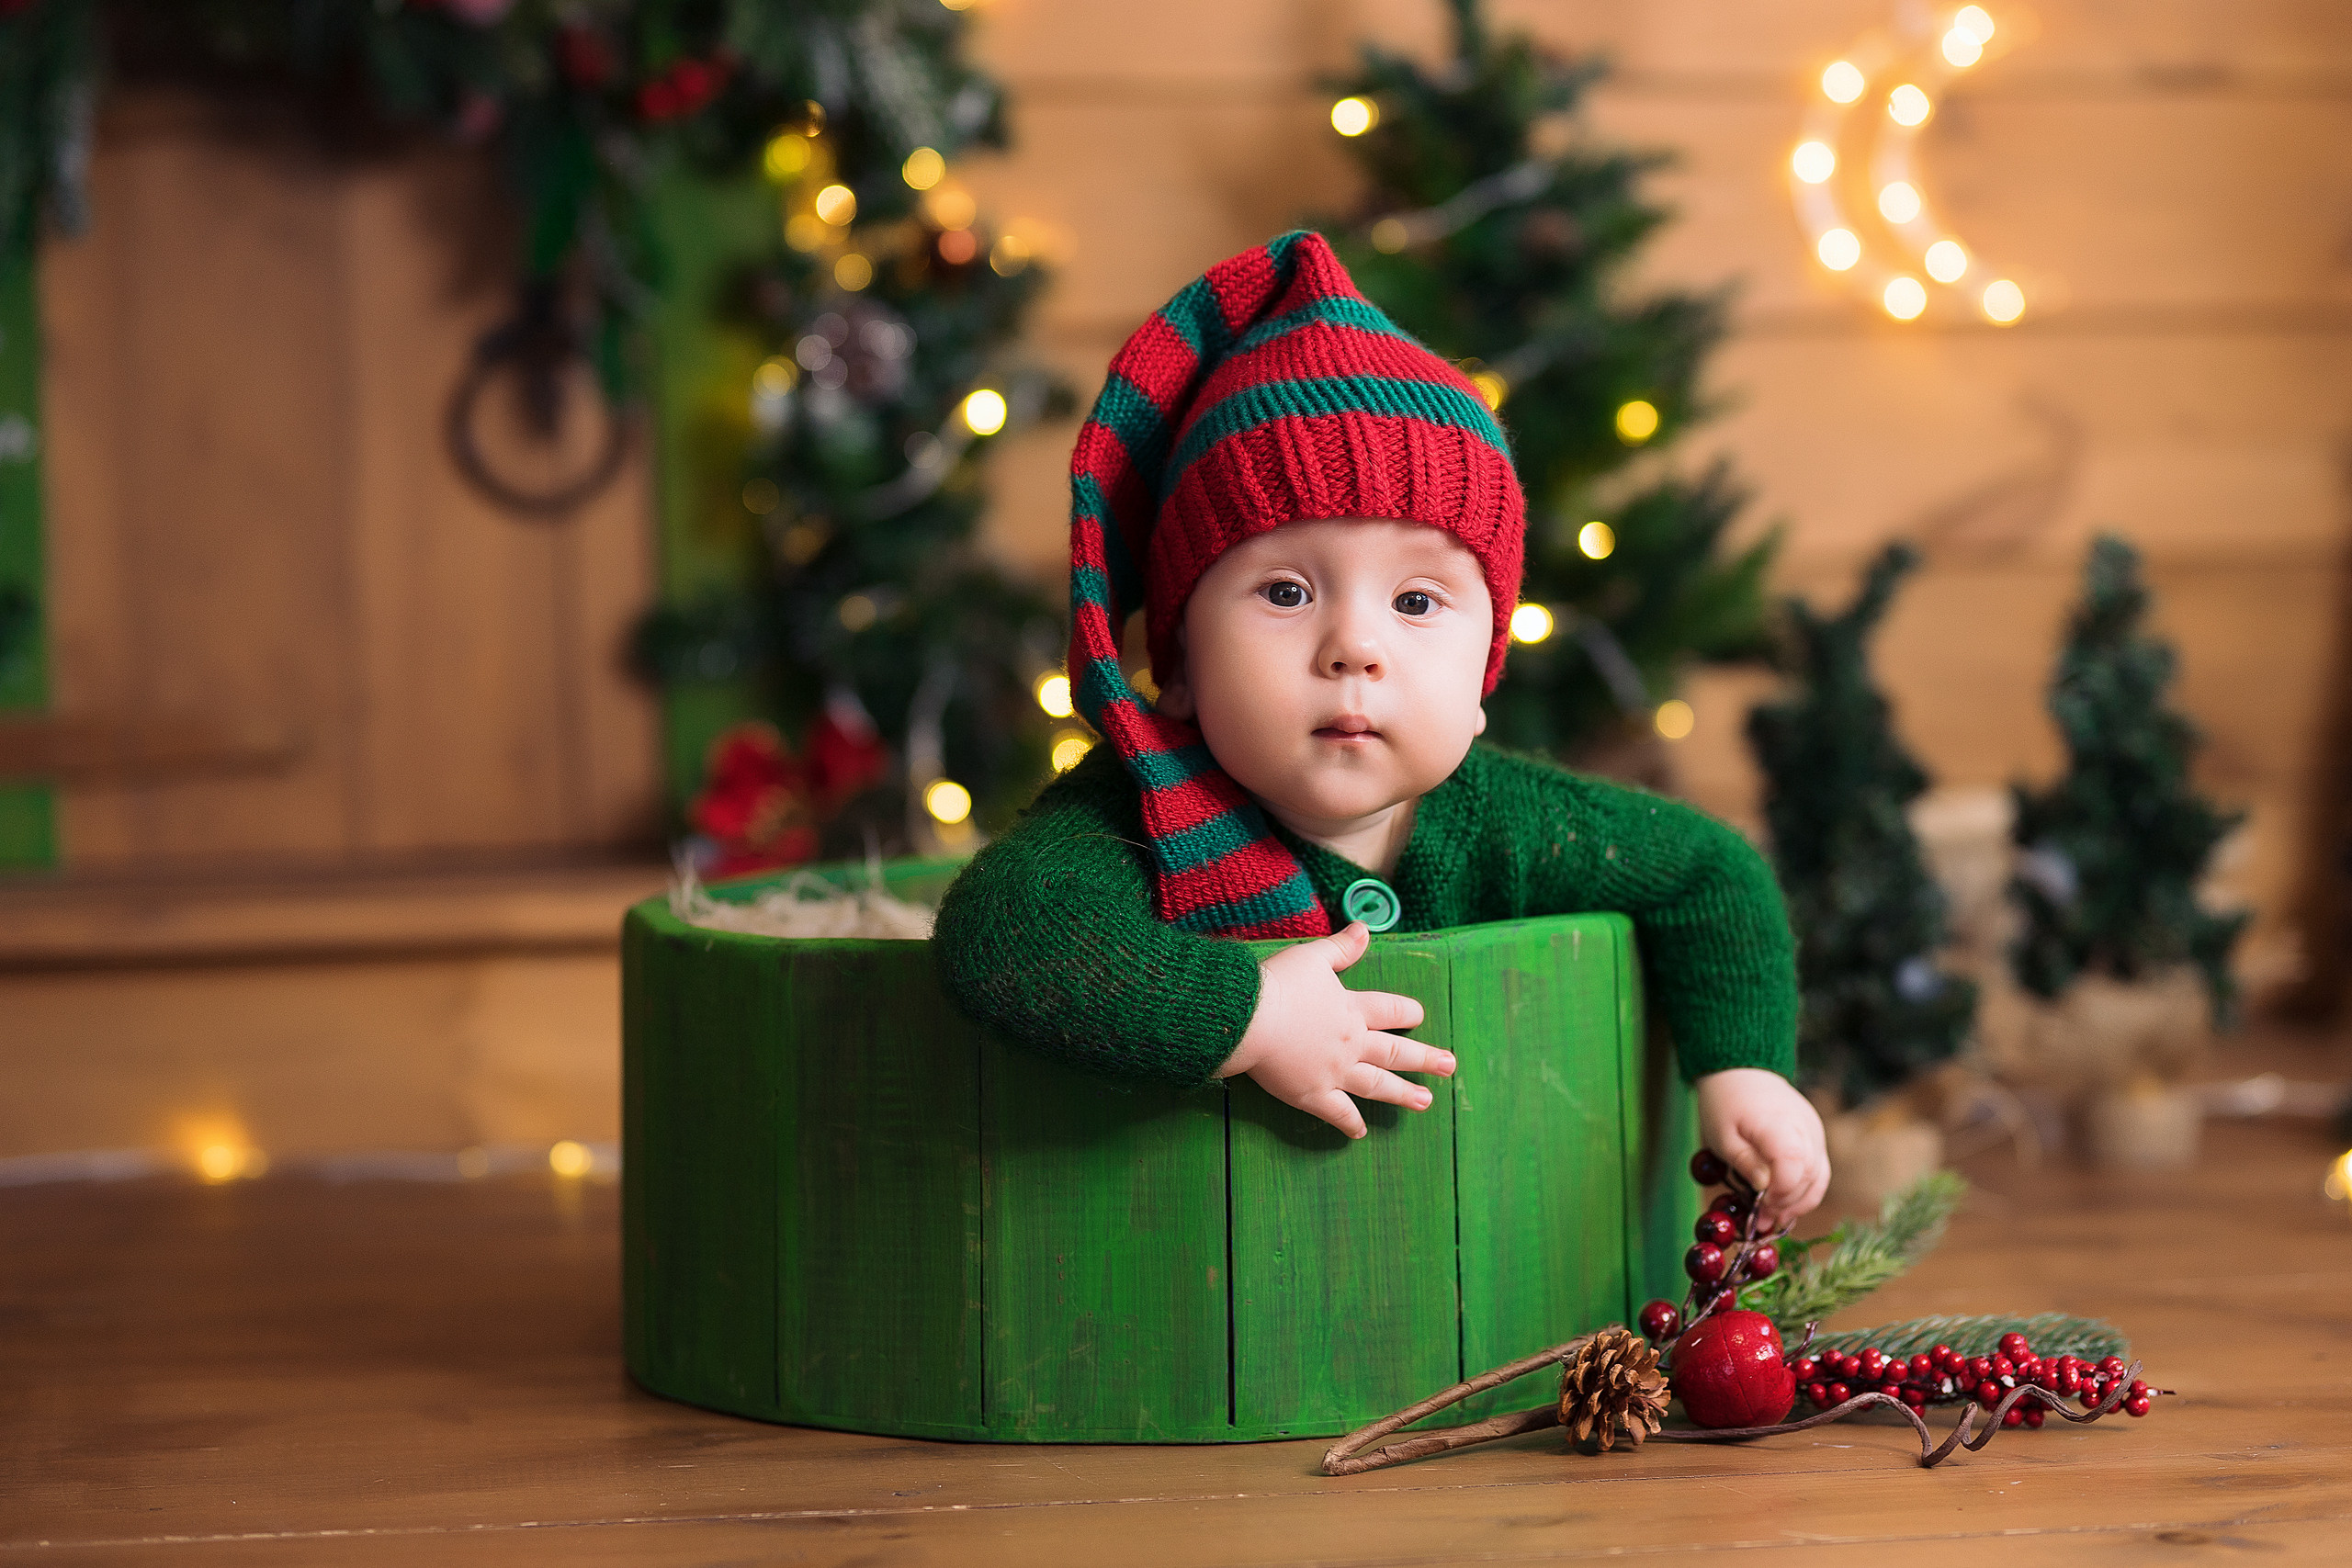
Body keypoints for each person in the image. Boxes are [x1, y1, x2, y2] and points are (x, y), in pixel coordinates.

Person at [933, 231, 1828, 1228]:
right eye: (1284, 590)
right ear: (1177, 665)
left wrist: (1741, 1069)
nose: (1354, 646)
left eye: (1416, 601)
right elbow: (1006, 936)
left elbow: (1705, 874)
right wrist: (1249, 1014)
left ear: (1483, 674)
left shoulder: (1502, 817)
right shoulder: (1140, 809)